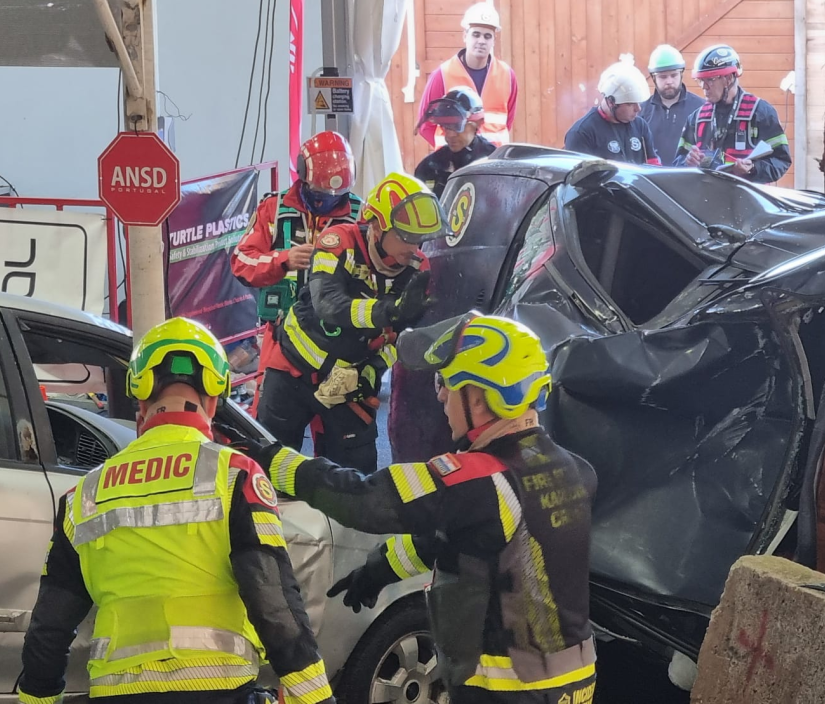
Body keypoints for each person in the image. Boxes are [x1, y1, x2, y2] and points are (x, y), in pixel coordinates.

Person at [235, 312, 598, 703]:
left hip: (508, 691)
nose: (440, 395)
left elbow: (365, 500)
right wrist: (379, 569)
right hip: (572, 684)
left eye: (445, 381)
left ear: (480, 396)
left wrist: (275, 462)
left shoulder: (480, 479)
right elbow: (466, 543)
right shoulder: (576, 470)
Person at [17, 317, 334, 704]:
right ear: (214, 401)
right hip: (217, 690)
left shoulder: (84, 494)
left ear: (142, 402)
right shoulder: (234, 474)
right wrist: (314, 697)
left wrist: (37, 699)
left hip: (116, 694)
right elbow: (273, 600)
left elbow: (49, 629)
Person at [256, 172, 445, 474]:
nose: (414, 246)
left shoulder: (417, 268)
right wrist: (389, 310)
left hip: (348, 383)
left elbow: (401, 336)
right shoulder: (337, 242)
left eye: (420, 238)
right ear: (377, 226)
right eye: (407, 236)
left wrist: (374, 370)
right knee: (270, 465)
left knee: (356, 474)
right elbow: (329, 305)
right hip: (293, 367)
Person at [231, 131, 363, 413]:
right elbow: (241, 261)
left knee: (340, 435)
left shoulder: (360, 216)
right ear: (303, 176)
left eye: (335, 196)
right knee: (269, 429)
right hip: (281, 339)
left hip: (338, 342)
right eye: (319, 194)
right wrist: (283, 259)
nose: (326, 202)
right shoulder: (274, 209)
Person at [673, 45, 792, 184]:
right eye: (700, 80)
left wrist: (753, 168)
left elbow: (781, 160)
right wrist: (687, 163)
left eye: (710, 80)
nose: (704, 87)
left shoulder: (761, 113)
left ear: (729, 78)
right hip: (707, 201)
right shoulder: (696, 119)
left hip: (749, 201)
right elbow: (678, 163)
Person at [417, 2, 517, 148]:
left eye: (487, 36)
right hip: (456, 166)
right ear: (465, 36)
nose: (481, 41)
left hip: (492, 164)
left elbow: (507, 122)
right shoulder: (443, 75)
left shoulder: (507, 76)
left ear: (494, 40)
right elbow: (425, 125)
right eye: (476, 34)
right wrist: (451, 150)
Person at [564, 58, 660, 166]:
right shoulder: (582, 133)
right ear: (611, 102)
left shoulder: (640, 126)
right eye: (630, 104)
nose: (638, 109)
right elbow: (578, 179)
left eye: (638, 102)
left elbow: (654, 166)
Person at [414, 86, 499, 198]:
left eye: (457, 126)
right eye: (445, 127)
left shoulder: (494, 163)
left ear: (478, 122)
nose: (449, 135)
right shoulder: (429, 167)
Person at [639, 44, 705, 164]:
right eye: (663, 77)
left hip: (689, 180)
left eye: (674, 75)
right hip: (652, 180)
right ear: (654, 78)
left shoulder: (701, 109)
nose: (669, 81)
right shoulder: (641, 112)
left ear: (681, 74)